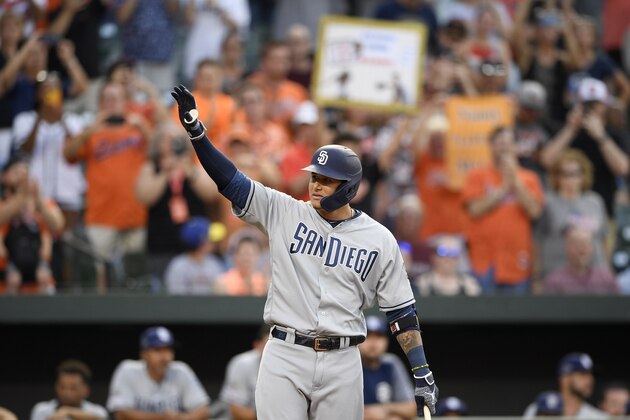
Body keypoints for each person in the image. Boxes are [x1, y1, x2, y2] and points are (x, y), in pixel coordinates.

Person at [171, 84, 439, 419]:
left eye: (327, 180)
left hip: (343, 357)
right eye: (315, 176)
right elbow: (232, 181)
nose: (316, 185)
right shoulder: (286, 211)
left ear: (350, 188)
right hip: (285, 351)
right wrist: (198, 133)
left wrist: (420, 369)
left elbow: (401, 313)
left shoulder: (379, 238)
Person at [63, 80, 151, 291]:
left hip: (134, 214)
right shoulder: (93, 131)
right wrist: (90, 129)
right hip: (101, 215)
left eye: (116, 98)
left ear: (125, 102)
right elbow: (68, 154)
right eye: (107, 99)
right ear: (101, 103)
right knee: (98, 275)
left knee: (133, 275)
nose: (111, 103)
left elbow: (161, 149)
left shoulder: (137, 129)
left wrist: (145, 128)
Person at [463, 126, 544, 294]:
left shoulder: (530, 178)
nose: (504, 147)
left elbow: (534, 211)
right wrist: (503, 189)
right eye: (499, 143)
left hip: (516, 261)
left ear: (516, 146)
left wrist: (514, 180)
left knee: (515, 318)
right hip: (484, 261)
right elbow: (474, 210)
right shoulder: (477, 175)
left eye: (508, 143)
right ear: (491, 146)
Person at [535, 149, 609, 283]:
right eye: (564, 174)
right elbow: (537, 241)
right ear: (556, 177)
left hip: (594, 273)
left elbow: (603, 239)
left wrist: (607, 270)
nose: (570, 179)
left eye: (575, 174)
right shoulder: (548, 202)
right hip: (557, 274)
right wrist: (536, 276)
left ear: (583, 175)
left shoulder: (594, 201)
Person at [107, 326, 210, 419]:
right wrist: (161, 417)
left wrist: (184, 418)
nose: (164, 357)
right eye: (157, 350)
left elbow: (203, 410)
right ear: (144, 354)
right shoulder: (127, 370)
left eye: (168, 350)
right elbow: (121, 413)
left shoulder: (181, 371)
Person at [0, 153, 64, 294]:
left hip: (41, 278)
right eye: (16, 171)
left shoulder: (42, 203)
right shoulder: (3, 203)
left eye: (25, 171)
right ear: (4, 176)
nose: (22, 176)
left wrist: (38, 203)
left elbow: (58, 225)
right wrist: (21, 198)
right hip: (7, 282)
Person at [360, 315, 416, 420]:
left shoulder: (391, 364)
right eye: (368, 336)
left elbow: (412, 408)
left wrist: (385, 409)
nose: (373, 343)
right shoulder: (351, 366)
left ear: (386, 341)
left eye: (378, 337)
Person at [523, 352, 607, 419]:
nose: (590, 380)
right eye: (583, 374)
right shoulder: (538, 410)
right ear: (565, 378)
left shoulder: (597, 417)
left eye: (591, 375)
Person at [543, 226, 619, 294]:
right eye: (576, 245)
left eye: (585, 244)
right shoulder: (555, 282)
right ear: (567, 248)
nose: (581, 250)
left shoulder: (606, 279)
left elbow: (618, 307)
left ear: (592, 248)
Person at [218, 324, 271, 420]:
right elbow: (236, 411)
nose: (273, 352)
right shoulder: (242, 363)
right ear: (257, 345)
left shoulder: (289, 365)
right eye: (268, 346)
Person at [164, 216, 225, 294]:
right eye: (208, 238)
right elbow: (177, 299)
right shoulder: (178, 266)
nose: (211, 241)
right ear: (201, 242)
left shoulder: (214, 264)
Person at [31, 359, 108, 420]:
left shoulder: (97, 410)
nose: (67, 393)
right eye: (62, 387)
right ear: (56, 387)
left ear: (86, 390)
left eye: (73, 388)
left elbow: (101, 417)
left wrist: (67, 411)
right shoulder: (42, 410)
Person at [412, 236, 479, 297]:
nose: (448, 258)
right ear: (433, 256)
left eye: (453, 253)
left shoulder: (469, 284)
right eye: (442, 252)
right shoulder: (422, 283)